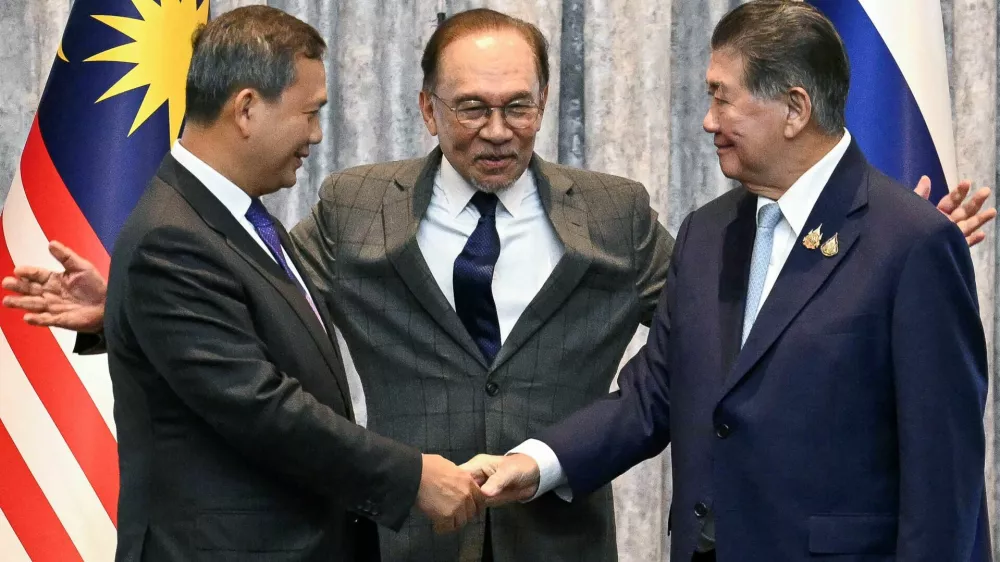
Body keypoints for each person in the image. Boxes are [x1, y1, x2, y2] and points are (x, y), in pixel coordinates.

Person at [2, 6, 995, 562]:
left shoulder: (624, 216)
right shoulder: (356, 205)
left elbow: (708, 357)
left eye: (519, 106)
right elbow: (268, 296)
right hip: (407, 545)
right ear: (428, 108)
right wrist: (122, 303)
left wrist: (888, 247)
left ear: (546, 107)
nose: (496, 128)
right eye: (471, 107)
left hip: (558, 547)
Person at [463, 2, 992, 561]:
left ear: (794, 108)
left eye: (722, 96)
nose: (708, 120)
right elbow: (654, 393)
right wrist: (537, 462)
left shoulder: (910, 243)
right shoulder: (708, 232)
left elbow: (944, 474)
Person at [22, 7, 484, 561]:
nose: (316, 135)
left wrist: (121, 311)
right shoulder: (173, 237)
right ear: (246, 108)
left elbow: (249, 331)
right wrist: (411, 478)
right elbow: (263, 408)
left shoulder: (238, 219)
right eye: (310, 113)